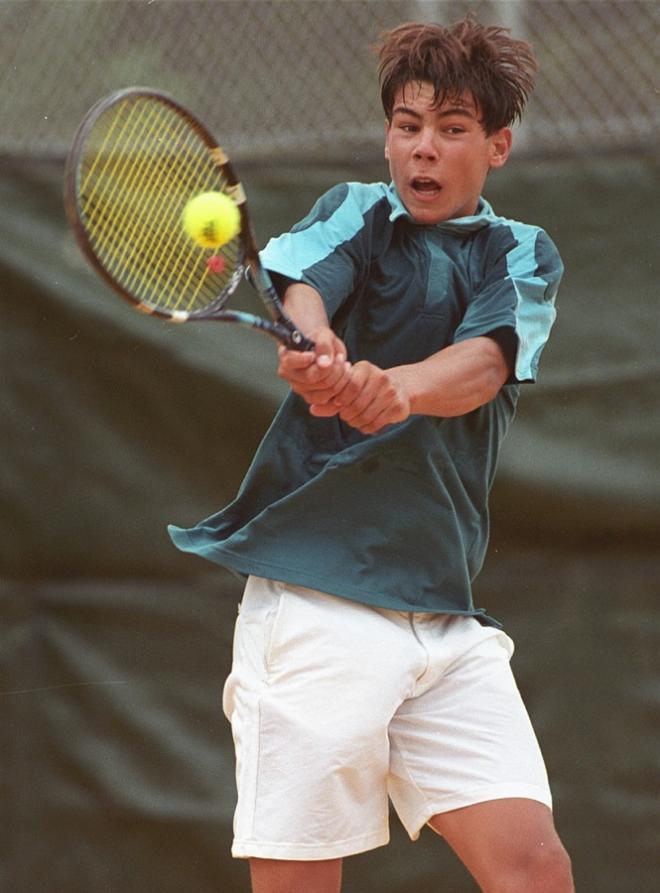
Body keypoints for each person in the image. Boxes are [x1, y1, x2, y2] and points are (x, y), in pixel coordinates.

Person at [169, 15, 574, 893]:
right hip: (318, 606)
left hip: (442, 613)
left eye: (453, 128)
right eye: (407, 125)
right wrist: (314, 348)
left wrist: (396, 388)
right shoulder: (356, 214)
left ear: (498, 145)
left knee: (536, 866)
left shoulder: (523, 255)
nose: (423, 150)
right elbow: (304, 290)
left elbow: (483, 364)